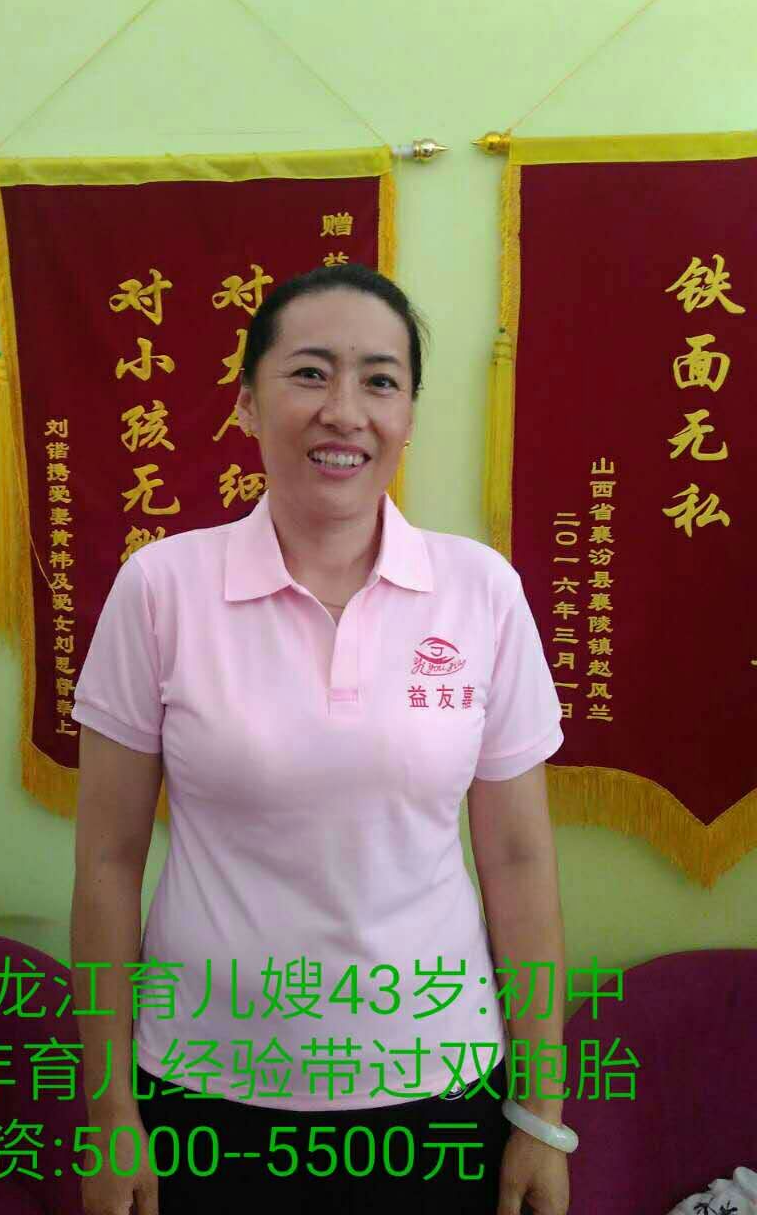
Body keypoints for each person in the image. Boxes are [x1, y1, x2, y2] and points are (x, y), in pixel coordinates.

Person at [70, 264, 573, 1215]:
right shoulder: (162, 589)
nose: (345, 411)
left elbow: (517, 858)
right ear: (247, 404)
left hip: (438, 1088)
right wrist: (109, 1112)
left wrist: (542, 1114)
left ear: (409, 415)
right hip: (206, 1089)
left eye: (380, 380)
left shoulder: (480, 592)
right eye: (309, 373)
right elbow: (106, 860)